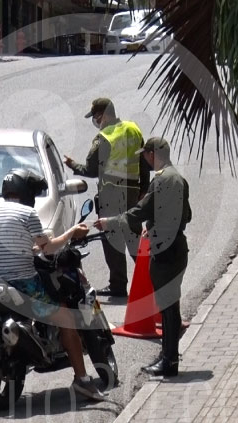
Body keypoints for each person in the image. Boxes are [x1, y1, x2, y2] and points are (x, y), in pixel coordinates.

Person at [0, 169, 105, 400]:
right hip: (23, 283)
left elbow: (19, 246)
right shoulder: (27, 213)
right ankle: (82, 380)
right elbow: (47, 247)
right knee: (67, 317)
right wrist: (71, 233)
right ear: (26, 193)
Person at [94, 137, 191, 376]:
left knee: (167, 308)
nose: (144, 160)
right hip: (177, 248)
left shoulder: (161, 181)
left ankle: (169, 361)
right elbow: (186, 216)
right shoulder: (178, 178)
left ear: (152, 154)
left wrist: (109, 222)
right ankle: (168, 355)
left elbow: (139, 211)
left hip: (165, 253)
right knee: (170, 306)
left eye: (145, 155)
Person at [64, 98, 149, 297]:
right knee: (134, 237)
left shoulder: (105, 137)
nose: (94, 120)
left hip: (111, 193)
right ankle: (152, 278)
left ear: (102, 115)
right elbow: (144, 162)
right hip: (132, 192)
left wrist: (73, 165)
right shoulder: (133, 129)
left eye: (95, 116)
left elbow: (92, 169)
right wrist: (143, 188)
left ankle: (118, 285)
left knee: (112, 239)